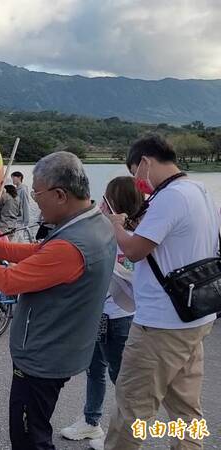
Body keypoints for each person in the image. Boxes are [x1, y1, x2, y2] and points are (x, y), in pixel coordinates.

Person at [0, 151, 116, 449]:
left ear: (60, 194)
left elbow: (9, 282)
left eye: (37, 194)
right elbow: (42, 252)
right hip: (65, 347)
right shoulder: (95, 224)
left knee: (29, 436)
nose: (34, 201)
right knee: (36, 426)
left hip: (43, 356)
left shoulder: (74, 243)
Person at [102, 135, 219, 450]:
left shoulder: (169, 198)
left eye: (134, 173)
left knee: (132, 407)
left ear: (145, 163)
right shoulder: (199, 191)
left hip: (161, 326)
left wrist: (114, 224)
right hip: (194, 316)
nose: (137, 182)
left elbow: (135, 250)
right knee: (185, 408)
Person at [59, 176, 142, 443]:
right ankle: (91, 421)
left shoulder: (135, 234)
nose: (102, 204)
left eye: (107, 199)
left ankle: (124, 437)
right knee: (94, 369)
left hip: (121, 316)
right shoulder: (105, 228)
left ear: (117, 203)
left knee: (121, 378)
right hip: (98, 313)